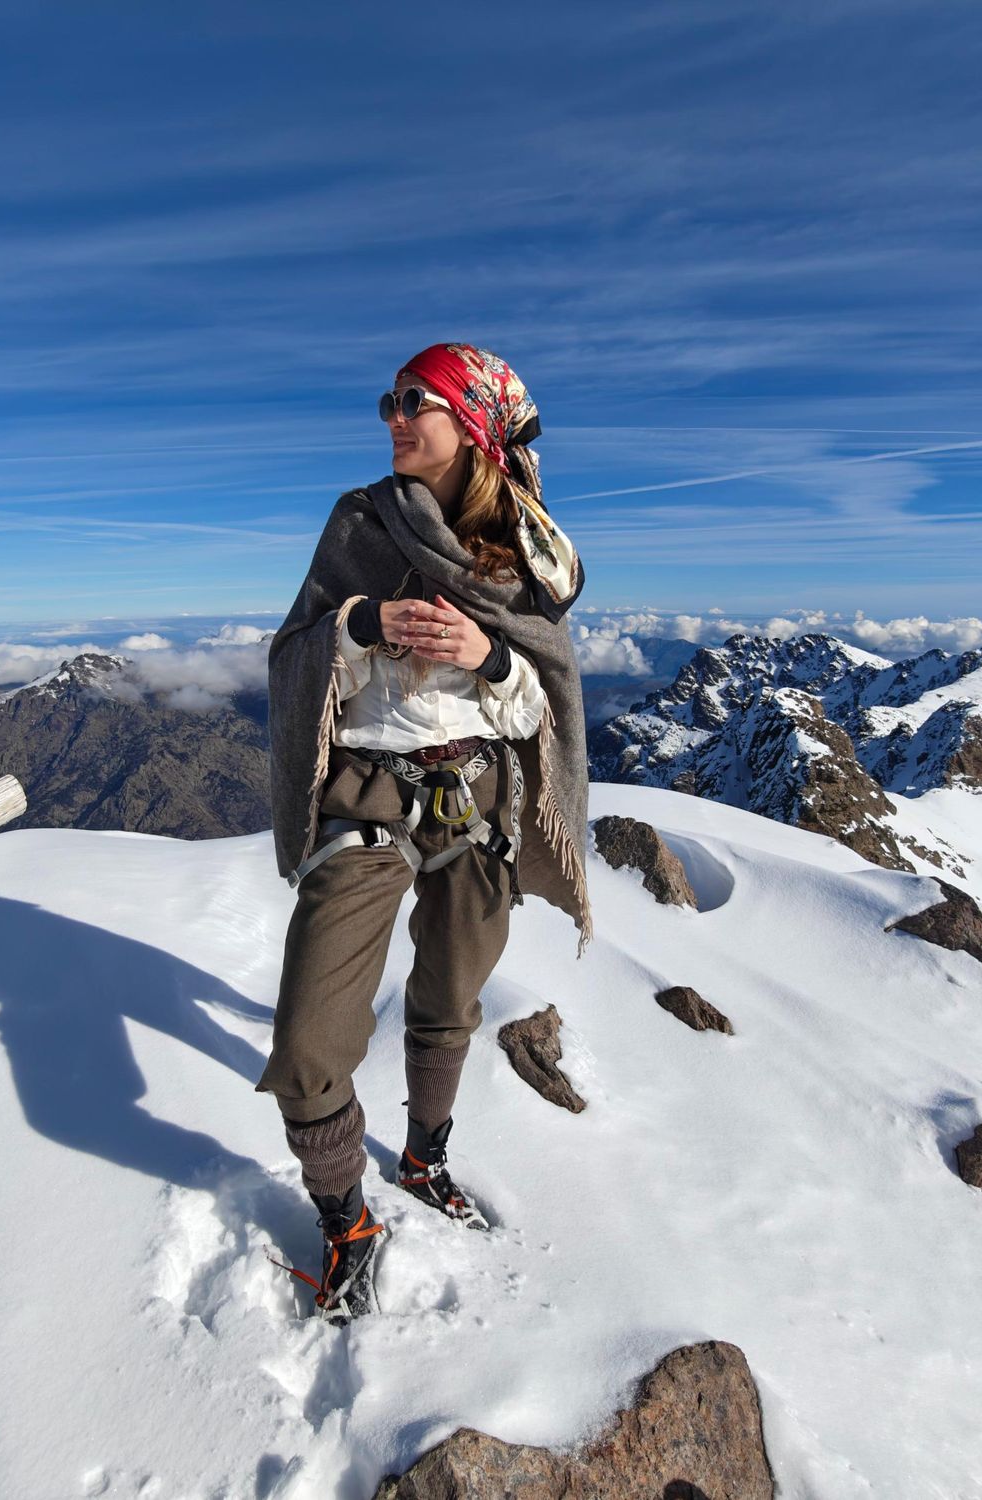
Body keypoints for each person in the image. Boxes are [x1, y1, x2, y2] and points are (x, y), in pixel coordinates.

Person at [260, 342, 593, 1323]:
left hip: (478, 802)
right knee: (310, 1040)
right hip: (368, 794)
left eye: (418, 401)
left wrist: (490, 659)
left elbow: (543, 702)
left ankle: (422, 1160)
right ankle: (344, 1224)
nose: (395, 417)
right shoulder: (358, 523)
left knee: (450, 996)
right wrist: (358, 628)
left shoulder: (526, 551)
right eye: (390, 401)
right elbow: (294, 656)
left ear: (473, 423)